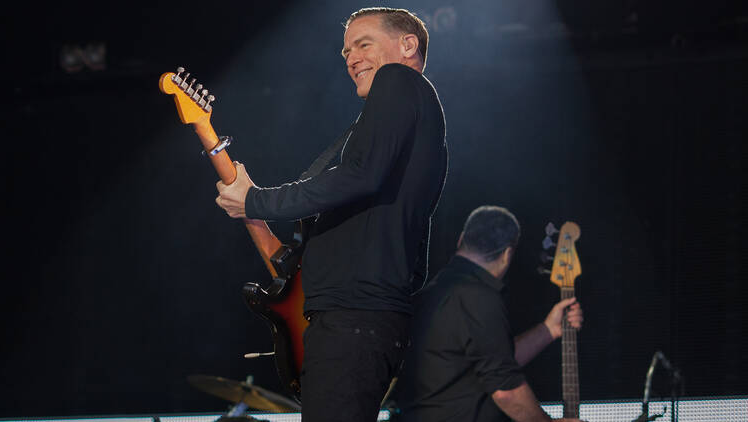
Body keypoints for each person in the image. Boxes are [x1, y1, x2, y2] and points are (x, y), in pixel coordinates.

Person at [215, 7, 447, 422]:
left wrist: (256, 201)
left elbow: (359, 175)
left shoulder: (400, 81)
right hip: (365, 319)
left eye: (363, 45)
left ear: (407, 45)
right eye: (345, 52)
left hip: (354, 323)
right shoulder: (412, 114)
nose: (351, 58)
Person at [395, 205, 584, 422]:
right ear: (507, 254)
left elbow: (494, 361)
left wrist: (548, 330)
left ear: (461, 239)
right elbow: (507, 391)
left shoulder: (435, 290)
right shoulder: (478, 296)